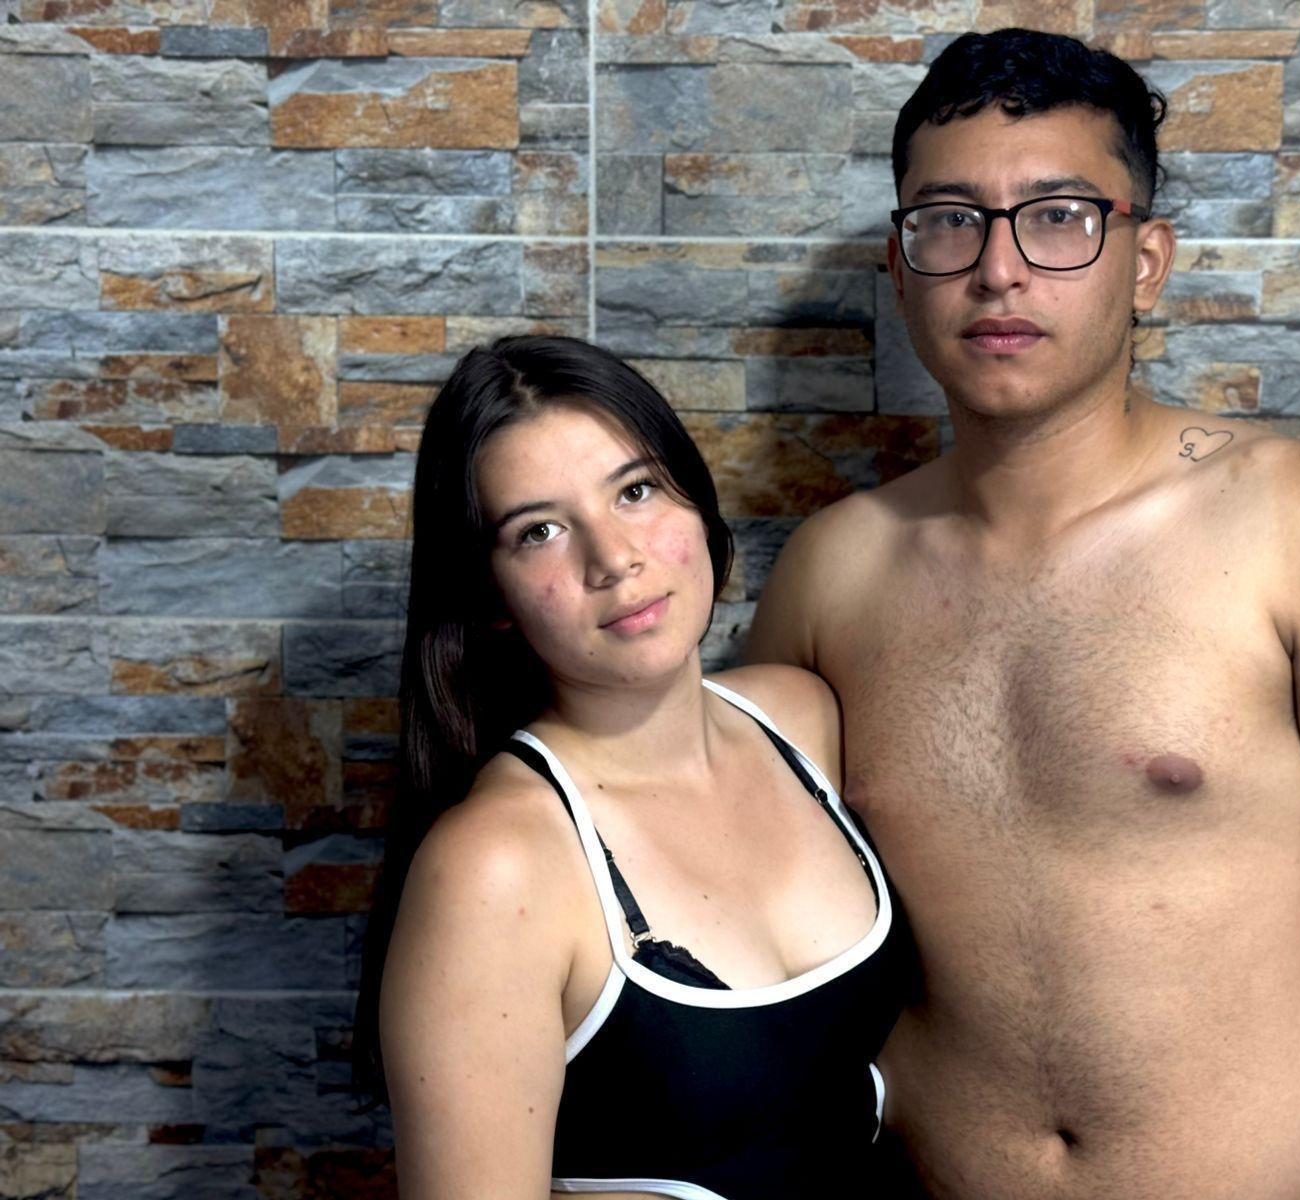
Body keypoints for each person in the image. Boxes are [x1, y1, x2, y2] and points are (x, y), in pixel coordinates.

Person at [745, 28, 1300, 1200]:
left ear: (1146, 260)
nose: (999, 270)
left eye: (1058, 217)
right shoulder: (832, 576)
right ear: (901, 263)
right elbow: (748, 919)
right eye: (950, 220)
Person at [350, 336, 920, 1199]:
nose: (614, 558)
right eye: (539, 531)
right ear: (490, 596)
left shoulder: (801, 719)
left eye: (636, 490)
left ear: (694, 497)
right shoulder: (496, 868)